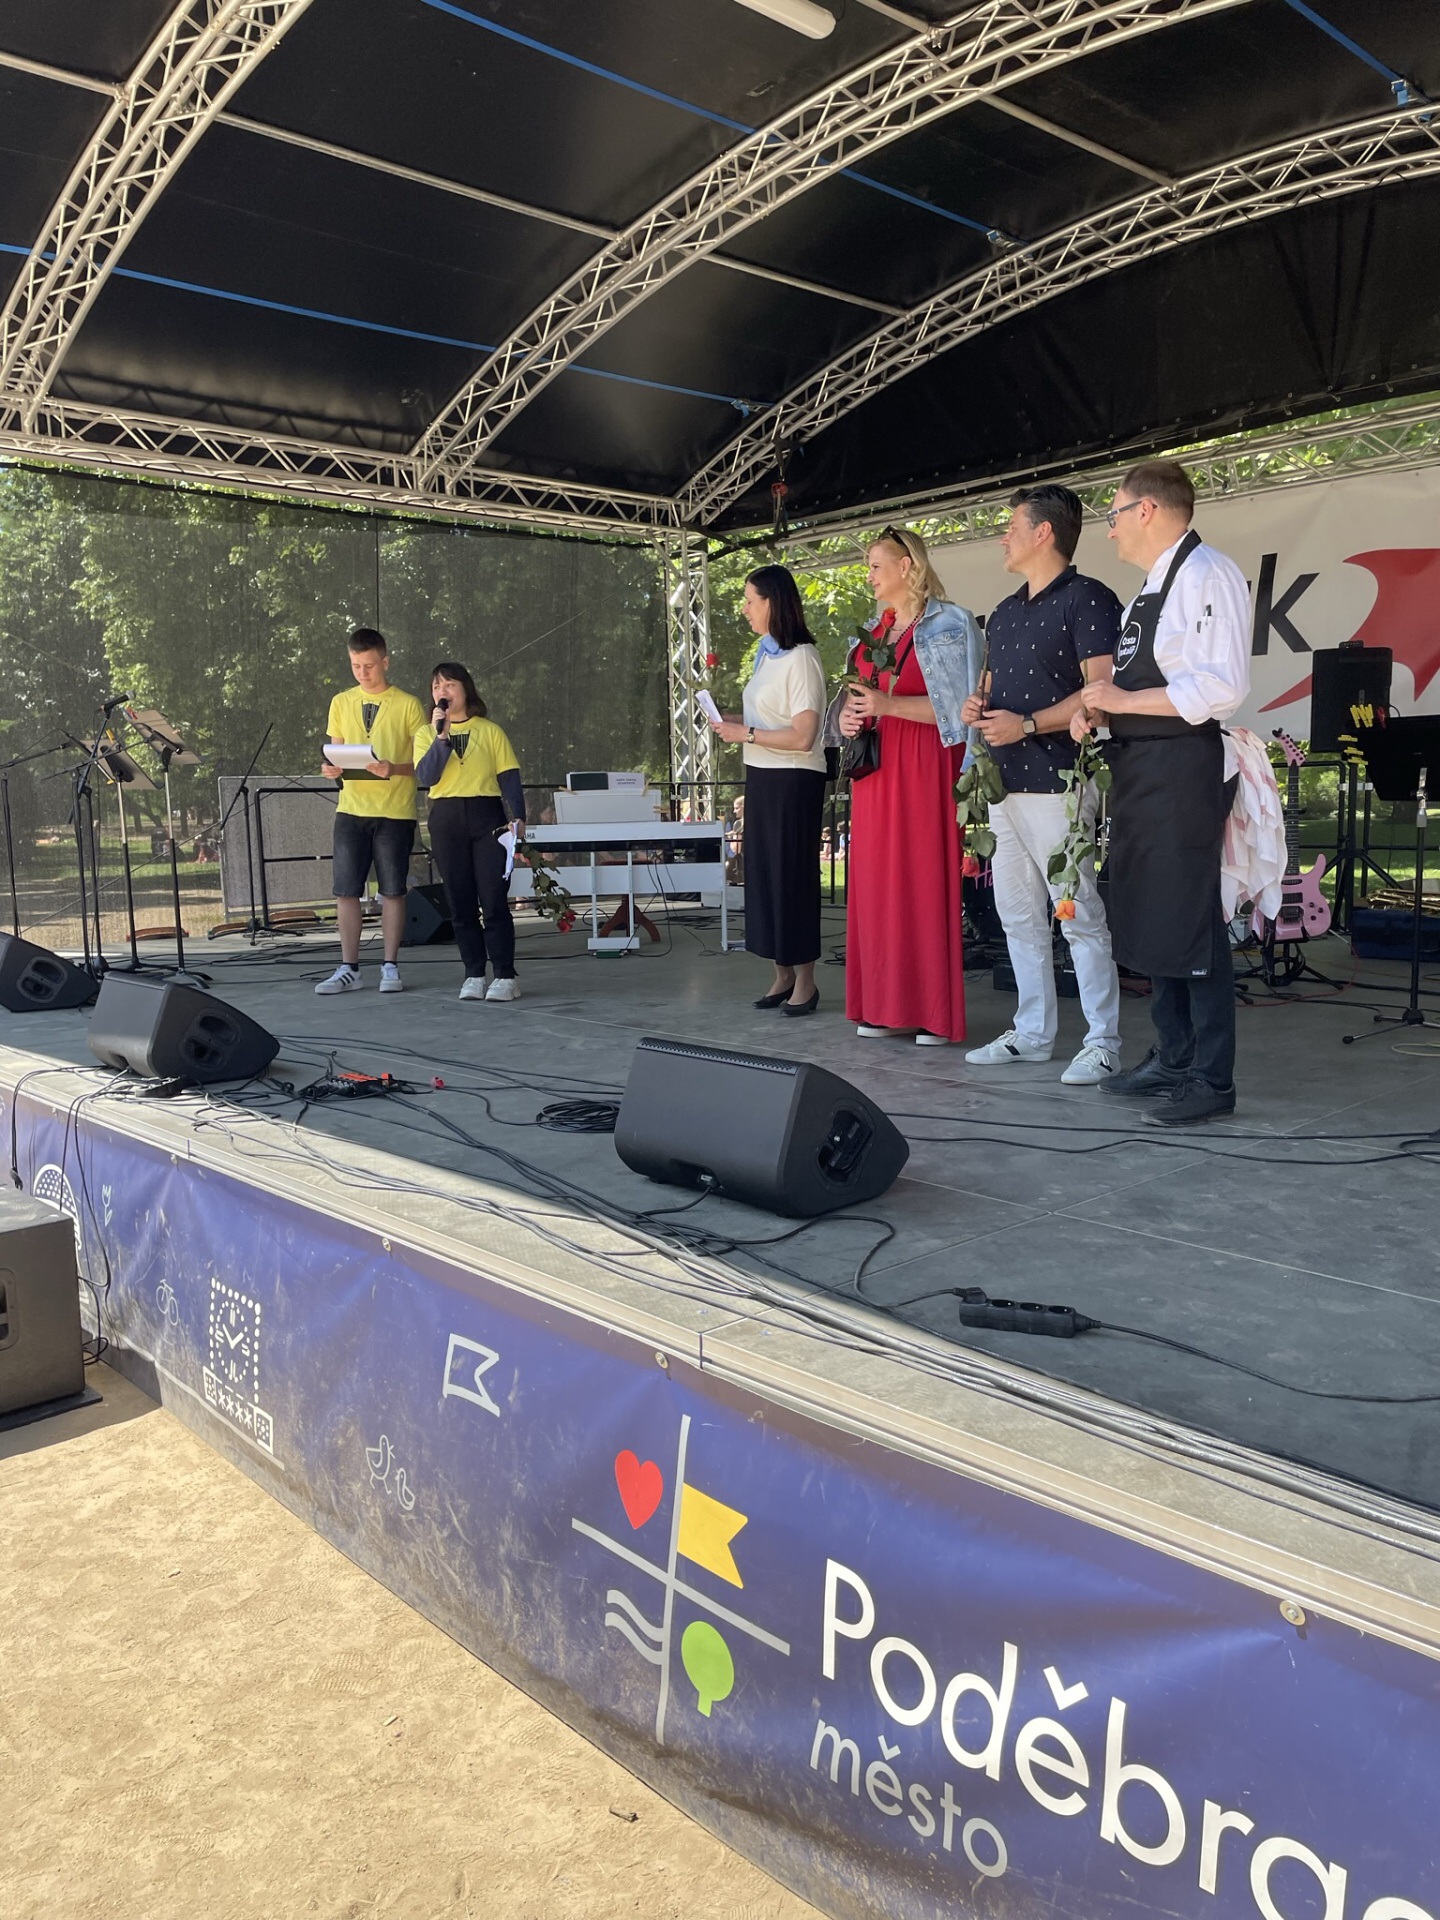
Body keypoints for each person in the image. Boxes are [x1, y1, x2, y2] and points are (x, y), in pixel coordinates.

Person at [1075, 460, 1251, 1125]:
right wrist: (1101, 712)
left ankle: (1211, 1077)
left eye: (1114, 514)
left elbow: (1220, 687)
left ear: (1145, 510)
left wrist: (1123, 700)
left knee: (1189, 916)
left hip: (1183, 767)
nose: (1111, 529)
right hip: (1139, 769)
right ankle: (1172, 1056)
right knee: (1150, 909)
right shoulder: (1147, 590)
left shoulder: (1209, 575)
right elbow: (1142, 688)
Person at [962, 485, 1124, 1084]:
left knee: (1078, 913)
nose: (1002, 538)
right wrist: (976, 706)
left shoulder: (1089, 599)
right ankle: (1032, 1033)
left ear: (1043, 532)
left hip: (1061, 783)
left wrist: (1026, 724)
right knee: (1018, 916)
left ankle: (1103, 1041)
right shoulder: (1004, 612)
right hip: (1001, 787)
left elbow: (1099, 695)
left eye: (1011, 527)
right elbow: (989, 689)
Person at [838, 526, 983, 1045]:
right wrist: (847, 719)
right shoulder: (870, 633)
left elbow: (963, 709)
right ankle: (881, 1006)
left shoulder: (952, 623)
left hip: (926, 763)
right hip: (876, 770)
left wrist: (889, 706)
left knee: (921, 879)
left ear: (906, 566)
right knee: (876, 884)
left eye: (876, 566)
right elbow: (857, 698)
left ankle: (931, 1013)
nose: (869, 576)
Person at [709, 565, 828, 1015]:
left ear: (773, 603)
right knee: (764, 877)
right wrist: (734, 724)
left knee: (791, 877)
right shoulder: (766, 655)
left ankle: (806, 981)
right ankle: (782, 972)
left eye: (750, 600)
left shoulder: (802, 657)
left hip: (793, 779)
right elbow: (769, 721)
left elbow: (803, 735)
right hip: (761, 774)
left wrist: (747, 734)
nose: (744, 609)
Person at [316, 628, 426, 995]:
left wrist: (393, 768)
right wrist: (331, 769)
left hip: (395, 810)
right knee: (345, 890)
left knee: (392, 890)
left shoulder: (408, 704)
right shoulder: (340, 701)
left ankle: (390, 965)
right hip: (351, 808)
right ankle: (349, 967)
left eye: (369, 665)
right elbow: (336, 752)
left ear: (385, 662)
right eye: (355, 666)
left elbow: (424, 763)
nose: (362, 672)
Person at [414, 661, 527, 1002]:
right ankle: (474, 973)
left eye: (449, 685)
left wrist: (519, 819)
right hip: (445, 818)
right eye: (437, 687)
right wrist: (442, 736)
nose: (442, 692)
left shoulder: (490, 731)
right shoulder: (426, 734)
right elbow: (427, 776)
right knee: (460, 902)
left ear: (465, 689)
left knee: (493, 899)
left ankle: (505, 975)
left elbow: (509, 778)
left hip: (486, 816)